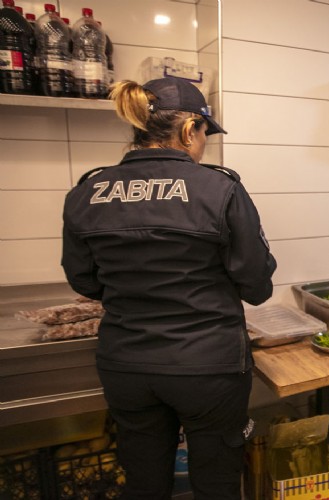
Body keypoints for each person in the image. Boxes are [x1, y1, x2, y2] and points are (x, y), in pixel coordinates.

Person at [61, 76, 277, 498]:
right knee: (215, 481)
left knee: (144, 480)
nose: (203, 146)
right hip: (208, 367)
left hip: (126, 365)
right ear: (188, 130)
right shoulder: (220, 189)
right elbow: (256, 285)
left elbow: (83, 280)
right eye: (204, 135)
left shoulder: (88, 191)